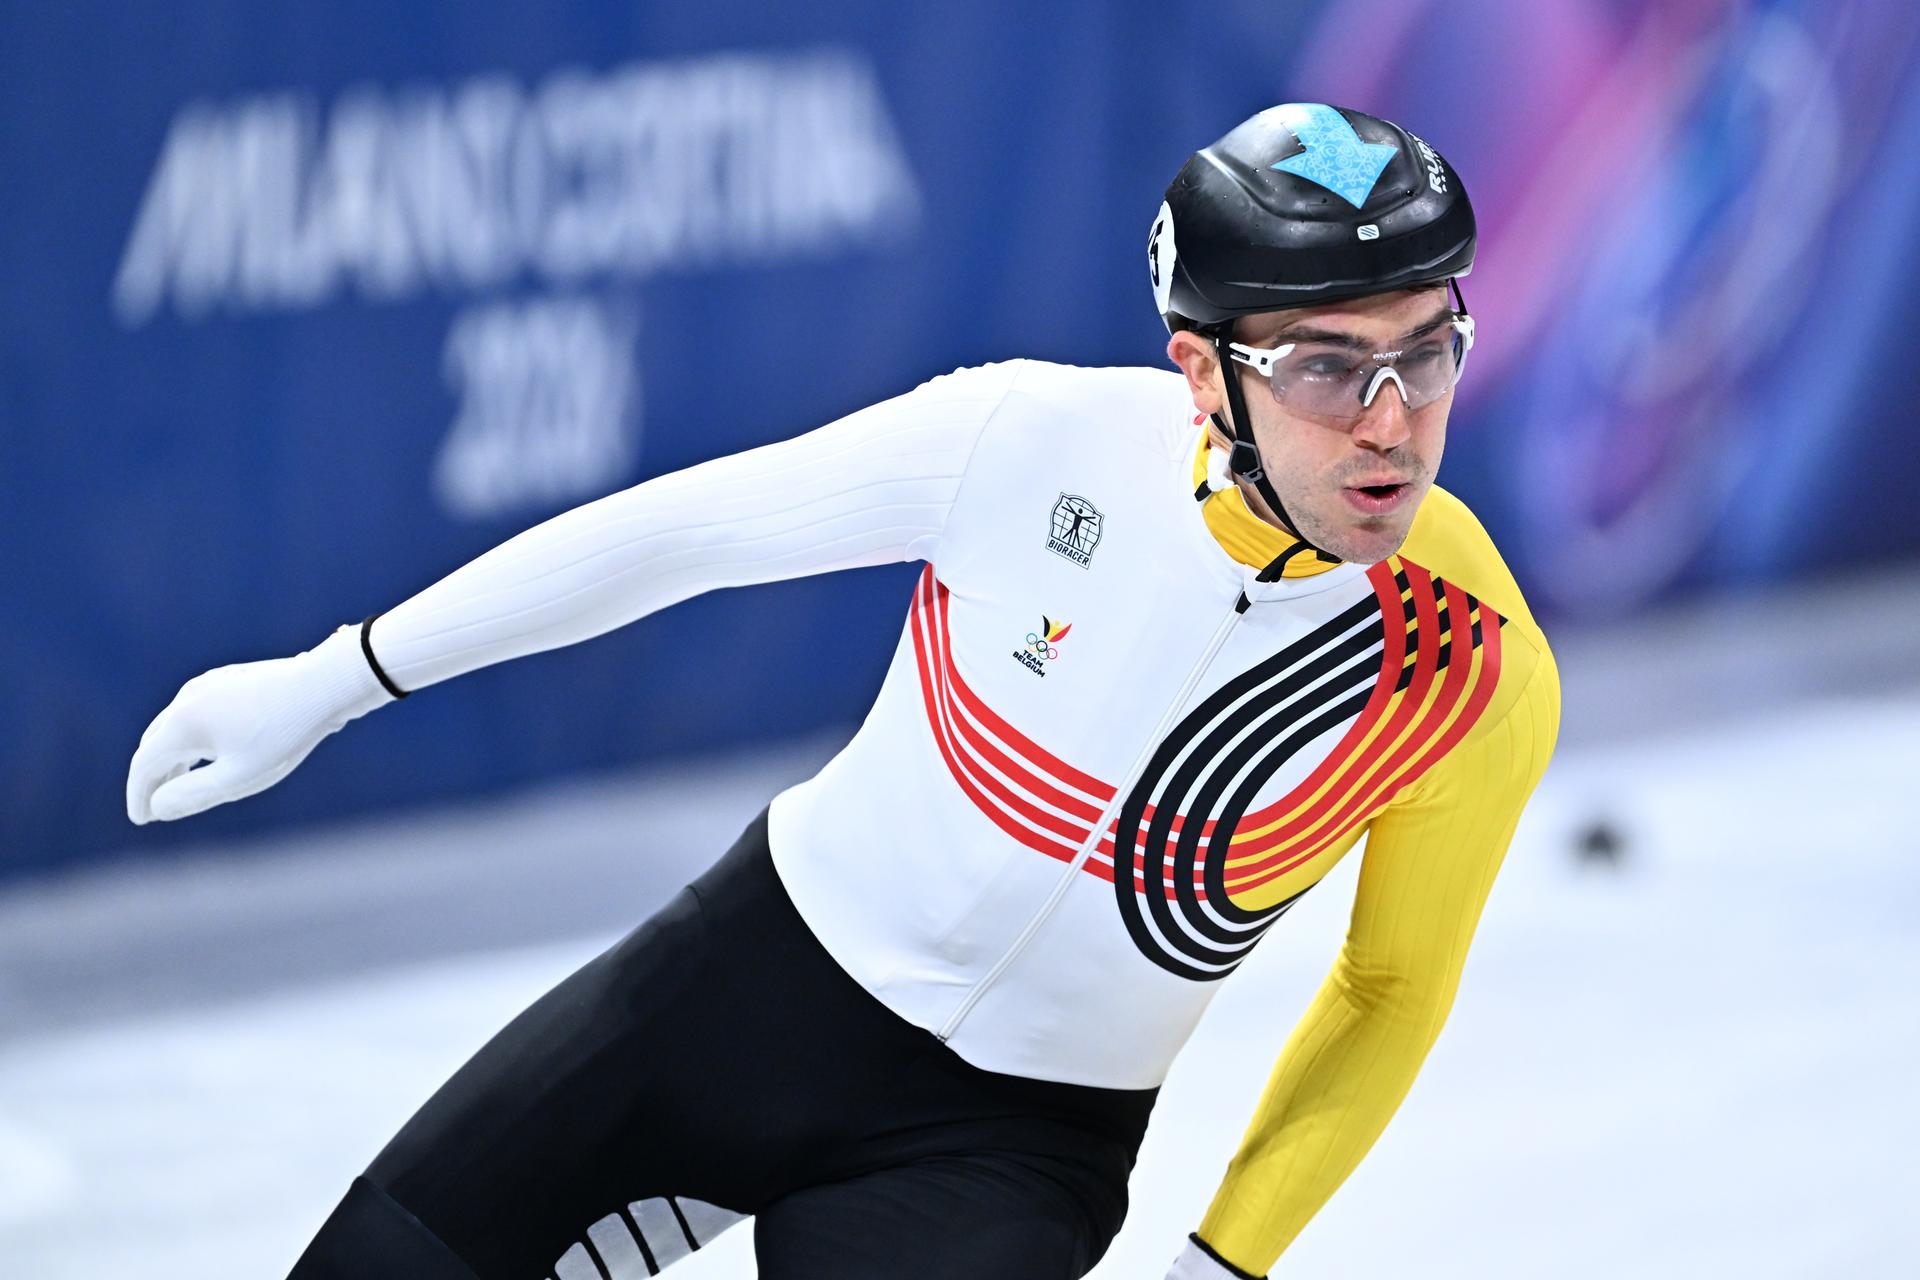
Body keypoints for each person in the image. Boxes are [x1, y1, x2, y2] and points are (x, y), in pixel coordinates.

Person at [125, 102, 1559, 1280]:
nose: (1394, 421)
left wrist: (1222, 1264)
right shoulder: (1025, 442)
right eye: (1328, 368)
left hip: (1006, 1149)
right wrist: (335, 678)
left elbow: (1388, 986)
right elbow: (680, 535)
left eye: (1428, 352)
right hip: (741, 994)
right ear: (1202, 373)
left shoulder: (1470, 665)